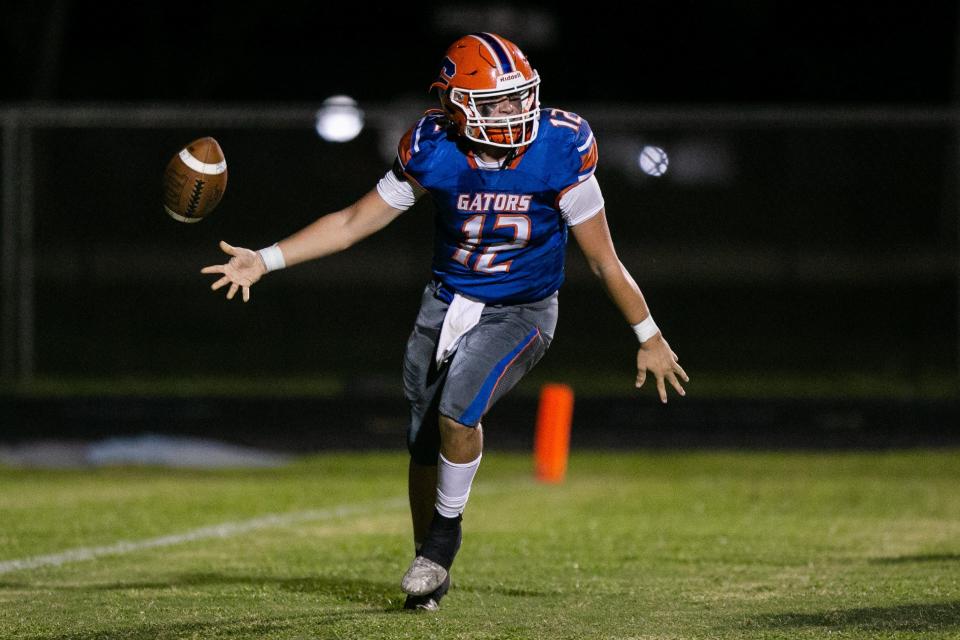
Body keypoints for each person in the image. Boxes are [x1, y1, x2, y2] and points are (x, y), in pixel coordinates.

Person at [201, 32, 689, 612]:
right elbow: (356, 220)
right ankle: (427, 571)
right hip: (446, 303)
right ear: (456, 104)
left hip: (523, 309)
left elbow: (603, 258)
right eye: (498, 103)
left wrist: (648, 334)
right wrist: (266, 258)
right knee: (424, 441)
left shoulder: (559, 147)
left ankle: (443, 540)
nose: (515, 113)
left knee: (461, 408)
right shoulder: (432, 146)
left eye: (520, 98)